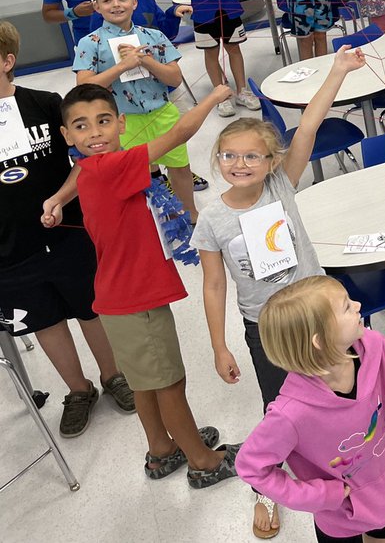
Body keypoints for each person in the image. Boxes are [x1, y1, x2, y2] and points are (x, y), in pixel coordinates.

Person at [194, 45, 367, 539]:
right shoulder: (213, 220)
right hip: (267, 330)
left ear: (272, 162)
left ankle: (344, 461)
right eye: (229, 155)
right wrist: (219, 344)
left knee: (338, 393)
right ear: (218, 160)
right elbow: (212, 283)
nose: (239, 163)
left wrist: (335, 71)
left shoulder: (280, 186)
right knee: (280, 412)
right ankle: (266, 489)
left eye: (252, 155)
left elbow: (308, 127)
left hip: (319, 315)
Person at [46, 82, 240, 487]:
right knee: (169, 381)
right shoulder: (113, 166)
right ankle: (202, 460)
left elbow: (80, 167)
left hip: (118, 298)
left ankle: (162, 449)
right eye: (81, 126)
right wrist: (212, 97)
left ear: (119, 123)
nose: (94, 133)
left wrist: (58, 198)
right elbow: (177, 135)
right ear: (67, 136)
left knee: (145, 382)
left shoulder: (92, 167)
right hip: (137, 299)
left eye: (102, 122)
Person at [0, 21, 135, 437]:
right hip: (9, 249)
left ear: (7, 61)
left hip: (69, 232)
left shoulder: (44, 104)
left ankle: (113, 375)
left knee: (90, 306)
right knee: (44, 320)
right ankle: (78, 391)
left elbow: (84, 162)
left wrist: (59, 198)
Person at [235, 276, 385, 543]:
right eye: (347, 307)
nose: (359, 305)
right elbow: (251, 467)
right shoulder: (289, 413)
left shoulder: (375, 345)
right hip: (338, 513)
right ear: (320, 340)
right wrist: (318, 495)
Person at [72, 0, 202, 223]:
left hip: (163, 113)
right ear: (97, 7)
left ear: (134, 2)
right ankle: (145, 221)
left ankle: (190, 214)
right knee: (133, 174)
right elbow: (84, 86)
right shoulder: (90, 43)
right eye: (107, 1)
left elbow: (174, 79)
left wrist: (145, 60)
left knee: (179, 166)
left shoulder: (154, 37)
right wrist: (121, 66)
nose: (116, 5)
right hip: (123, 120)